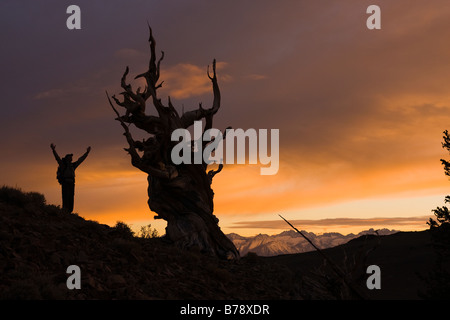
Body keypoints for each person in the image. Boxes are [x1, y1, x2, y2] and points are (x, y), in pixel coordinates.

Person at [51, 143, 91, 213]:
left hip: (72, 183)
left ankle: (69, 211)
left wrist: (87, 153)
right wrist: (53, 150)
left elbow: (80, 160)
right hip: (65, 183)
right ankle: (65, 210)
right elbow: (57, 158)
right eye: (70, 157)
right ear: (67, 158)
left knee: (71, 197)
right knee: (65, 196)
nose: (71, 158)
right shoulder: (63, 165)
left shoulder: (73, 165)